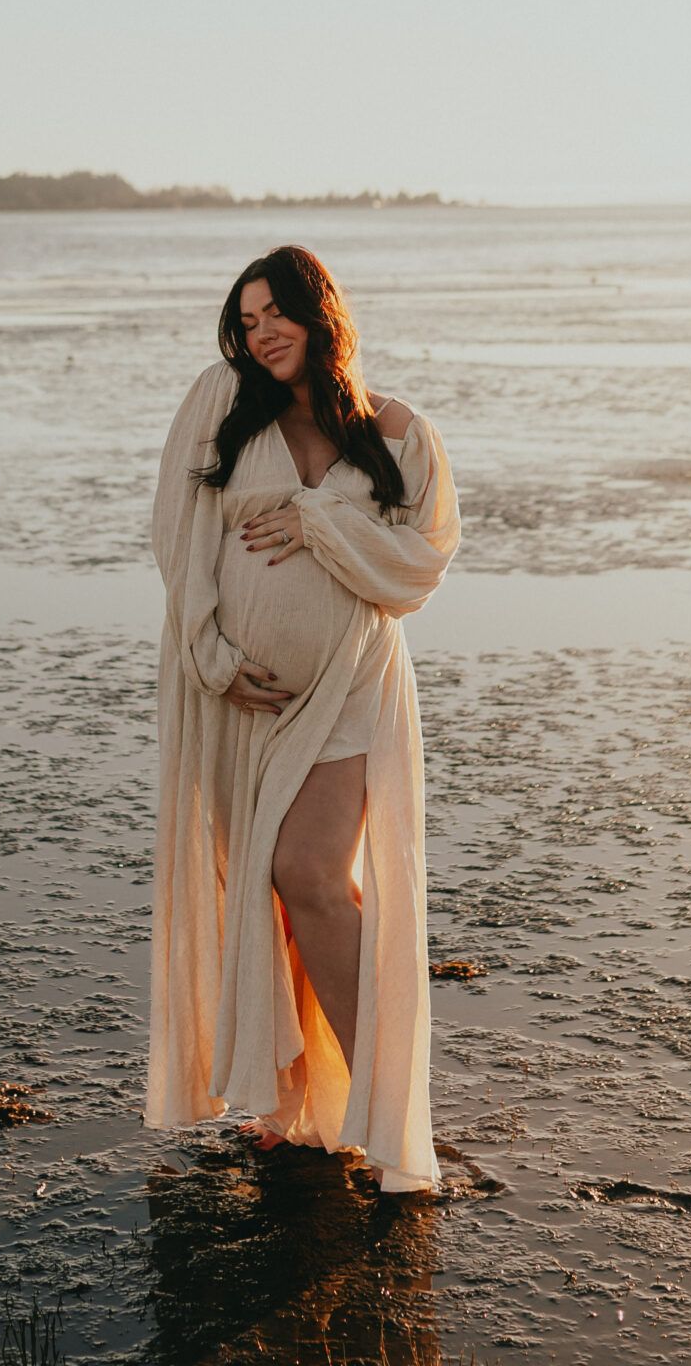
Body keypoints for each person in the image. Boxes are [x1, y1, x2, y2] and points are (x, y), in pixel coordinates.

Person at [146, 245, 460, 1194]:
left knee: (309, 872)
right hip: (239, 697)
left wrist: (324, 523)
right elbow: (179, 539)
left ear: (322, 315)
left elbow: (422, 563)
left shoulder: (398, 433)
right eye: (246, 320)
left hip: (350, 683)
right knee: (263, 898)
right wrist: (211, 659)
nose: (261, 332)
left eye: (277, 312)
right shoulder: (219, 405)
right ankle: (302, 1109)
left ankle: (390, 1113)